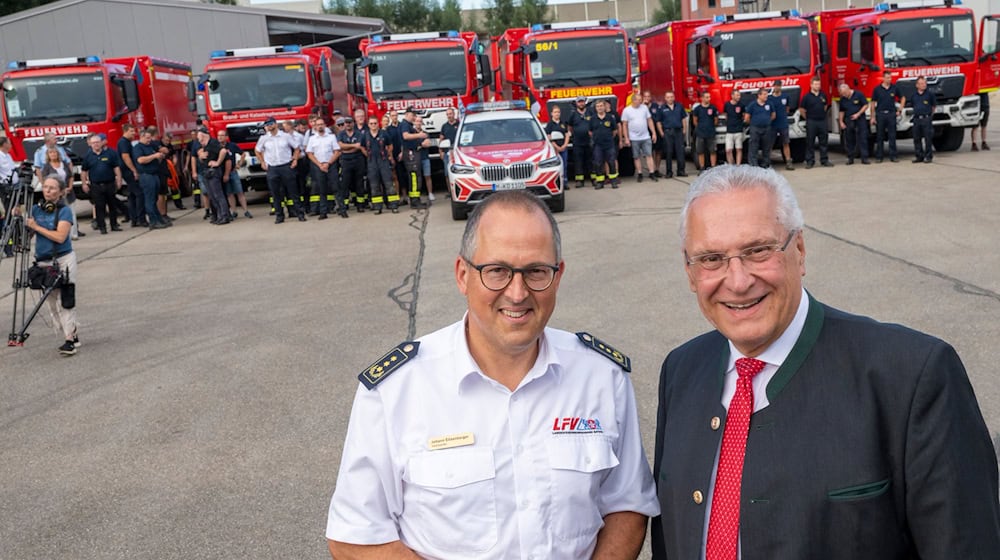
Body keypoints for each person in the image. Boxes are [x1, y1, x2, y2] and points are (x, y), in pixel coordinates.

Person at [649, 164, 1000, 559]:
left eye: (758, 250)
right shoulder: (681, 371)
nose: (738, 280)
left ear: (799, 250)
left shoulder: (910, 376)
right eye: (711, 258)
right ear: (690, 272)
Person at [326, 190, 660, 559]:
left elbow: (628, 503)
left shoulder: (601, 377)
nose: (517, 293)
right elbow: (356, 536)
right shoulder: (396, 391)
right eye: (497, 271)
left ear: (558, 275)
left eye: (536, 271)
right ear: (463, 275)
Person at [26, 175, 80, 355]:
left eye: (52, 188)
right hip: (43, 261)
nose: (48, 191)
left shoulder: (63, 211)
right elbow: (28, 236)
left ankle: (69, 340)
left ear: (61, 192)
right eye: (46, 187)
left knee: (65, 301)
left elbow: (60, 236)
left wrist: (37, 227)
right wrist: (23, 224)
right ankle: (71, 331)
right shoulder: (36, 210)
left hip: (63, 259)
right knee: (51, 304)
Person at [255, 116, 306, 223]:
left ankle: (300, 214)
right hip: (272, 168)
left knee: (293, 192)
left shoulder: (285, 136)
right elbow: (257, 150)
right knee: (276, 193)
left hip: (286, 166)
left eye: (271, 123)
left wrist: (295, 159)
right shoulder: (264, 138)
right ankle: (279, 215)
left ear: (276, 124)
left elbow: (297, 148)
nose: (269, 126)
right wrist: (262, 162)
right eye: (267, 124)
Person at [80, 133, 123, 234]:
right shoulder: (87, 156)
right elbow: (84, 171)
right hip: (96, 186)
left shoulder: (110, 154)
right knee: (99, 207)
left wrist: (119, 179)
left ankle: (114, 225)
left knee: (112, 206)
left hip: (110, 183)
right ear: (90, 144)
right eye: (93, 143)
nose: (96, 144)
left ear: (101, 143)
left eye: (97, 142)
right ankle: (102, 227)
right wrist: (84, 183)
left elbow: (116, 167)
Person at [40, 147, 83, 240]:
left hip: (68, 192)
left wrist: (70, 187)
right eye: (51, 153)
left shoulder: (64, 164)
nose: (53, 154)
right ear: (48, 155)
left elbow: (71, 176)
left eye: (55, 152)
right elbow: (45, 180)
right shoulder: (47, 167)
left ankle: (74, 234)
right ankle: (60, 233)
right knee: (58, 214)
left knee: (71, 213)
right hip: (55, 195)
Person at [132, 128, 171, 229]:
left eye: (150, 138)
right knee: (149, 199)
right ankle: (153, 221)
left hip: (155, 174)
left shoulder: (150, 146)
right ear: (141, 137)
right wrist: (154, 156)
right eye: (147, 138)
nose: (149, 140)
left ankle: (159, 219)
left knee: (154, 198)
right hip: (146, 176)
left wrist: (159, 157)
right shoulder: (138, 148)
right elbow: (140, 160)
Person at [306, 116, 344, 219]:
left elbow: (337, 151)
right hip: (319, 166)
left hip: (330, 165)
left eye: (321, 124)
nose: (319, 126)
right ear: (315, 126)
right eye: (317, 125)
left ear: (325, 125)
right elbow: (310, 154)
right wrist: (319, 165)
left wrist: (328, 163)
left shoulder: (331, 137)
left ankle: (342, 210)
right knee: (322, 190)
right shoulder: (312, 139)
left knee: (336, 188)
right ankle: (323, 212)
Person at [362, 115, 399, 215]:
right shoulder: (365, 135)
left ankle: (394, 205)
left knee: (389, 184)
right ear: (368, 125)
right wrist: (368, 154)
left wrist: (388, 155)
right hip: (371, 163)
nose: (373, 125)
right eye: (371, 124)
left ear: (378, 124)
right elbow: (362, 147)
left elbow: (390, 145)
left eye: (375, 123)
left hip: (383, 162)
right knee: (374, 185)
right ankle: (377, 207)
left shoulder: (384, 134)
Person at [195, 127, 230, 225]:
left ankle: (224, 216)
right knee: (212, 196)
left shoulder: (213, 143)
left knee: (218, 195)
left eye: (198, 136)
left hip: (213, 172)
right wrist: (201, 157)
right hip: (207, 172)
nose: (198, 139)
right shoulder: (205, 145)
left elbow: (223, 151)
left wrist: (218, 162)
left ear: (202, 135)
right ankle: (219, 216)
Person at [621, 94, 658, 183]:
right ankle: (640, 173)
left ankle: (651, 172)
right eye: (638, 100)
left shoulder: (644, 108)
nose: (640, 101)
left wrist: (653, 133)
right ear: (633, 100)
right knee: (636, 156)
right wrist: (626, 138)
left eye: (640, 99)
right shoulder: (627, 110)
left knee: (649, 155)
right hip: (634, 138)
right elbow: (624, 125)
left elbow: (649, 120)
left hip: (645, 136)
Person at [799, 77, 833, 169]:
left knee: (824, 141)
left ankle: (824, 160)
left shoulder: (823, 95)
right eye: (816, 84)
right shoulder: (807, 97)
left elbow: (825, 106)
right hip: (811, 121)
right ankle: (810, 161)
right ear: (811, 85)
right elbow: (802, 109)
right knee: (810, 142)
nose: (818, 86)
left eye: (819, 84)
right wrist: (808, 118)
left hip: (822, 121)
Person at [871, 71, 904, 163]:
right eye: (887, 78)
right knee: (880, 136)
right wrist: (873, 116)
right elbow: (873, 103)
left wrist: (900, 109)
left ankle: (893, 156)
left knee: (892, 136)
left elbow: (903, 98)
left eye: (890, 78)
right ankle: (879, 156)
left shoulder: (894, 88)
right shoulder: (877, 89)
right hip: (880, 114)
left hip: (891, 114)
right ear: (883, 78)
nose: (889, 79)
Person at [218, 130, 251, 219]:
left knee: (239, 192)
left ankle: (246, 211)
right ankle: (234, 212)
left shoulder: (232, 146)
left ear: (226, 137)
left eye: (222, 135)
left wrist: (239, 164)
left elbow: (243, 154)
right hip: (223, 173)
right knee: (229, 193)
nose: (220, 137)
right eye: (218, 135)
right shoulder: (217, 147)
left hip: (233, 172)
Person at [117, 124, 146, 227]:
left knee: (132, 195)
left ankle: (134, 219)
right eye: (131, 131)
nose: (134, 133)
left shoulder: (126, 142)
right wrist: (134, 170)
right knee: (139, 194)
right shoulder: (123, 142)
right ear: (125, 131)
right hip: (128, 172)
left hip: (128, 171)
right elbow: (125, 157)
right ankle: (140, 219)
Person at [400, 109, 429, 208]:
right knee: (414, 177)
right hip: (410, 155)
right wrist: (419, 135)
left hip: (414, 153)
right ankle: (415, 201)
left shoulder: (408, 125)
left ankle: (416, 199)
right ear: (407, 114)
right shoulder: (405, 124)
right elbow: (406, 136)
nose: (414, 117)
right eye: (413, 115)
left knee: (416, 177)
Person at [338, 116, 368, 212]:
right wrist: (353, 146)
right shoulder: (341, 134)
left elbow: (359, 146)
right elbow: (340, 146)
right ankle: (345, 205)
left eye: (350, 122)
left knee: (359, 183)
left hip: (358, 160)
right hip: (345, 161)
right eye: (346, 123)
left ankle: (360, 205)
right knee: (345, 183)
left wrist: (346, 148)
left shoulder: (359, 134)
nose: (348, 124)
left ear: (353, 123)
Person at [590, 99, 620, 189]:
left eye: (601, 106)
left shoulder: (610, 117)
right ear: (596, 108)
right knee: (598, 163)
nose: (599, 108)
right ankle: (600, 182)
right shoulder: (593, 119)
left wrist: (608, 138)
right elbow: (590, 131)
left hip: (609, 145)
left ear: (604, 107)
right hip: (597, 145)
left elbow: (615, 131)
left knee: (611, 162)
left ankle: (613, 181)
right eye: (598, 106)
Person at [838, 82, 870, 165]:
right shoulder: (843, 99)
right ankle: (850, 158)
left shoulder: (858, 94)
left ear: (848, 89)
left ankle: (864, 158)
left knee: (862, 138)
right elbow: (842, 111)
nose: (844, 95)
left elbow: (865, 105)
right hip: (849, 120)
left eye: (845, 93)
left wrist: (858, 114)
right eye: (842, 94)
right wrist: (841, 121)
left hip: (860, 119)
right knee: (849, 139)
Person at [657, 91, 688, 178]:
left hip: (678, 131)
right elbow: (658, 122)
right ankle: (669, 172)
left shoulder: (679, 106)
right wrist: (661, 133)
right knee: (668, 152)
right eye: (668, 97)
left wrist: (684, 129)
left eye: (671, 97)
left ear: (674, 97)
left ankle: (681, 171)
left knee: (680, 152)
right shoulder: (662, 108)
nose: (670, 98)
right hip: (668, 132)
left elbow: (683, 118)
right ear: (665, 98)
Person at [744, 88, 775, 168]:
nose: (766, 96)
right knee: (753, 146)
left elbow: (773, 115)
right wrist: (754, 123)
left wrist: (767, 121)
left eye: (766, 94)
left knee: (767, 147)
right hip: (755, 128)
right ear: (759, 95)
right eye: (764, 94)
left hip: (767, 128)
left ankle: (766, 164)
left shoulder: (769, 104)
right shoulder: (752, 105)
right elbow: (747, 118)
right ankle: (753, 165)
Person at [568, 96, 595, 188]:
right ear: (576, 103)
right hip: (577, 142)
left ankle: (593, 179)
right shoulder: (573, 114)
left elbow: (594, 123)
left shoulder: (590, 112)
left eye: (582, 102)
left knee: (591, 161)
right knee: (578, 162)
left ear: (585, 102)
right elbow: (570, 126)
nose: (581, 103)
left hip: (589, 142)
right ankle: (579, 180)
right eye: (579, 102)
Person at [768, 81, 794, 171]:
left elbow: (787, 109)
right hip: (773, 125)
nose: (778, 88)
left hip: (783, 123)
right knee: (770, 144)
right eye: (776, 86)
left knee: (786, 143)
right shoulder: (769, 98)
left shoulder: (785, 97)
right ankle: (768, 162)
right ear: (773, 86)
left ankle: (788, 162)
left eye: (779, 86)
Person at [690, 91, 718, 173]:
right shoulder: (697, 109)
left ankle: (713, 168)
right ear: (702, 98)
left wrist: (711, 126)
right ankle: (702, 168)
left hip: (711, 133)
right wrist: (700, 128)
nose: (708, 99)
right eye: (706, 97)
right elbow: (695, 121)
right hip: (700, 133)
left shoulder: (713, 108)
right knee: (700, 151)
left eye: (709, 97)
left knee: (712, 151)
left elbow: (715, 120)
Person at [910, 77, 936, 164]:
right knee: (916, 138)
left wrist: (928, 116)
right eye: (921, 83)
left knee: (928, 138)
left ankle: (928, 156)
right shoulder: (914, 95)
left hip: (926, 118)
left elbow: (933, 106)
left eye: (924, 83)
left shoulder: (929, 94)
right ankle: (919, 156)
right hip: (917, 119)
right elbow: (913, 105)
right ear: (917, 85)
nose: (923, 85)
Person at [544, 106, 571, 187]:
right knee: (556, 167)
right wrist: (556, 147)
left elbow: (567, 135)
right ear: (552, 113)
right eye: (555, 112)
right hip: (554, 149)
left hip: (563, 148)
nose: (557, 114)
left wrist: (564, 145)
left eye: (558, 112)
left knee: (564, 165)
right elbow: (549, 137)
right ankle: (557, 183)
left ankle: (565, 183)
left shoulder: (563, 123)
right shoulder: (549, 125)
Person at [644, 91, 664, 177]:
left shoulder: (655, 106)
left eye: (648, 96)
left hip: (656, 131)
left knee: (658, 151)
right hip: (645, 132)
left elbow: (658, 118)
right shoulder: (641, 107)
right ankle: (651, 169)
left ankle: (657, 169)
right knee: (649, 152)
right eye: (645, 96)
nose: (647, 98)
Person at [722, 90, 745, 165]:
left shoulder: (741, 105)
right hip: (729, 130)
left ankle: (738, 165)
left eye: (739, 95)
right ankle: (731, 164)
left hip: (738, 130)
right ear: (732, 96)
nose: (739, 97)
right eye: (737, 95)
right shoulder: (727, 105)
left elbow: (743, 116)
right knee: (728, 150)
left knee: (739, 148)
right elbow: (725, 115)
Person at [440, 107, 459, 175]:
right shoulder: (444, 126)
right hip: (447, 152)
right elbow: (441, 139)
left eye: (450, 114)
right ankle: (449, 186)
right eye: (447, 114)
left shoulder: (459, 124)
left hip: (458, 152)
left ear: (454, 114)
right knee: (447, 173)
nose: (449, 116)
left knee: (458, 172)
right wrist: (441, 152)